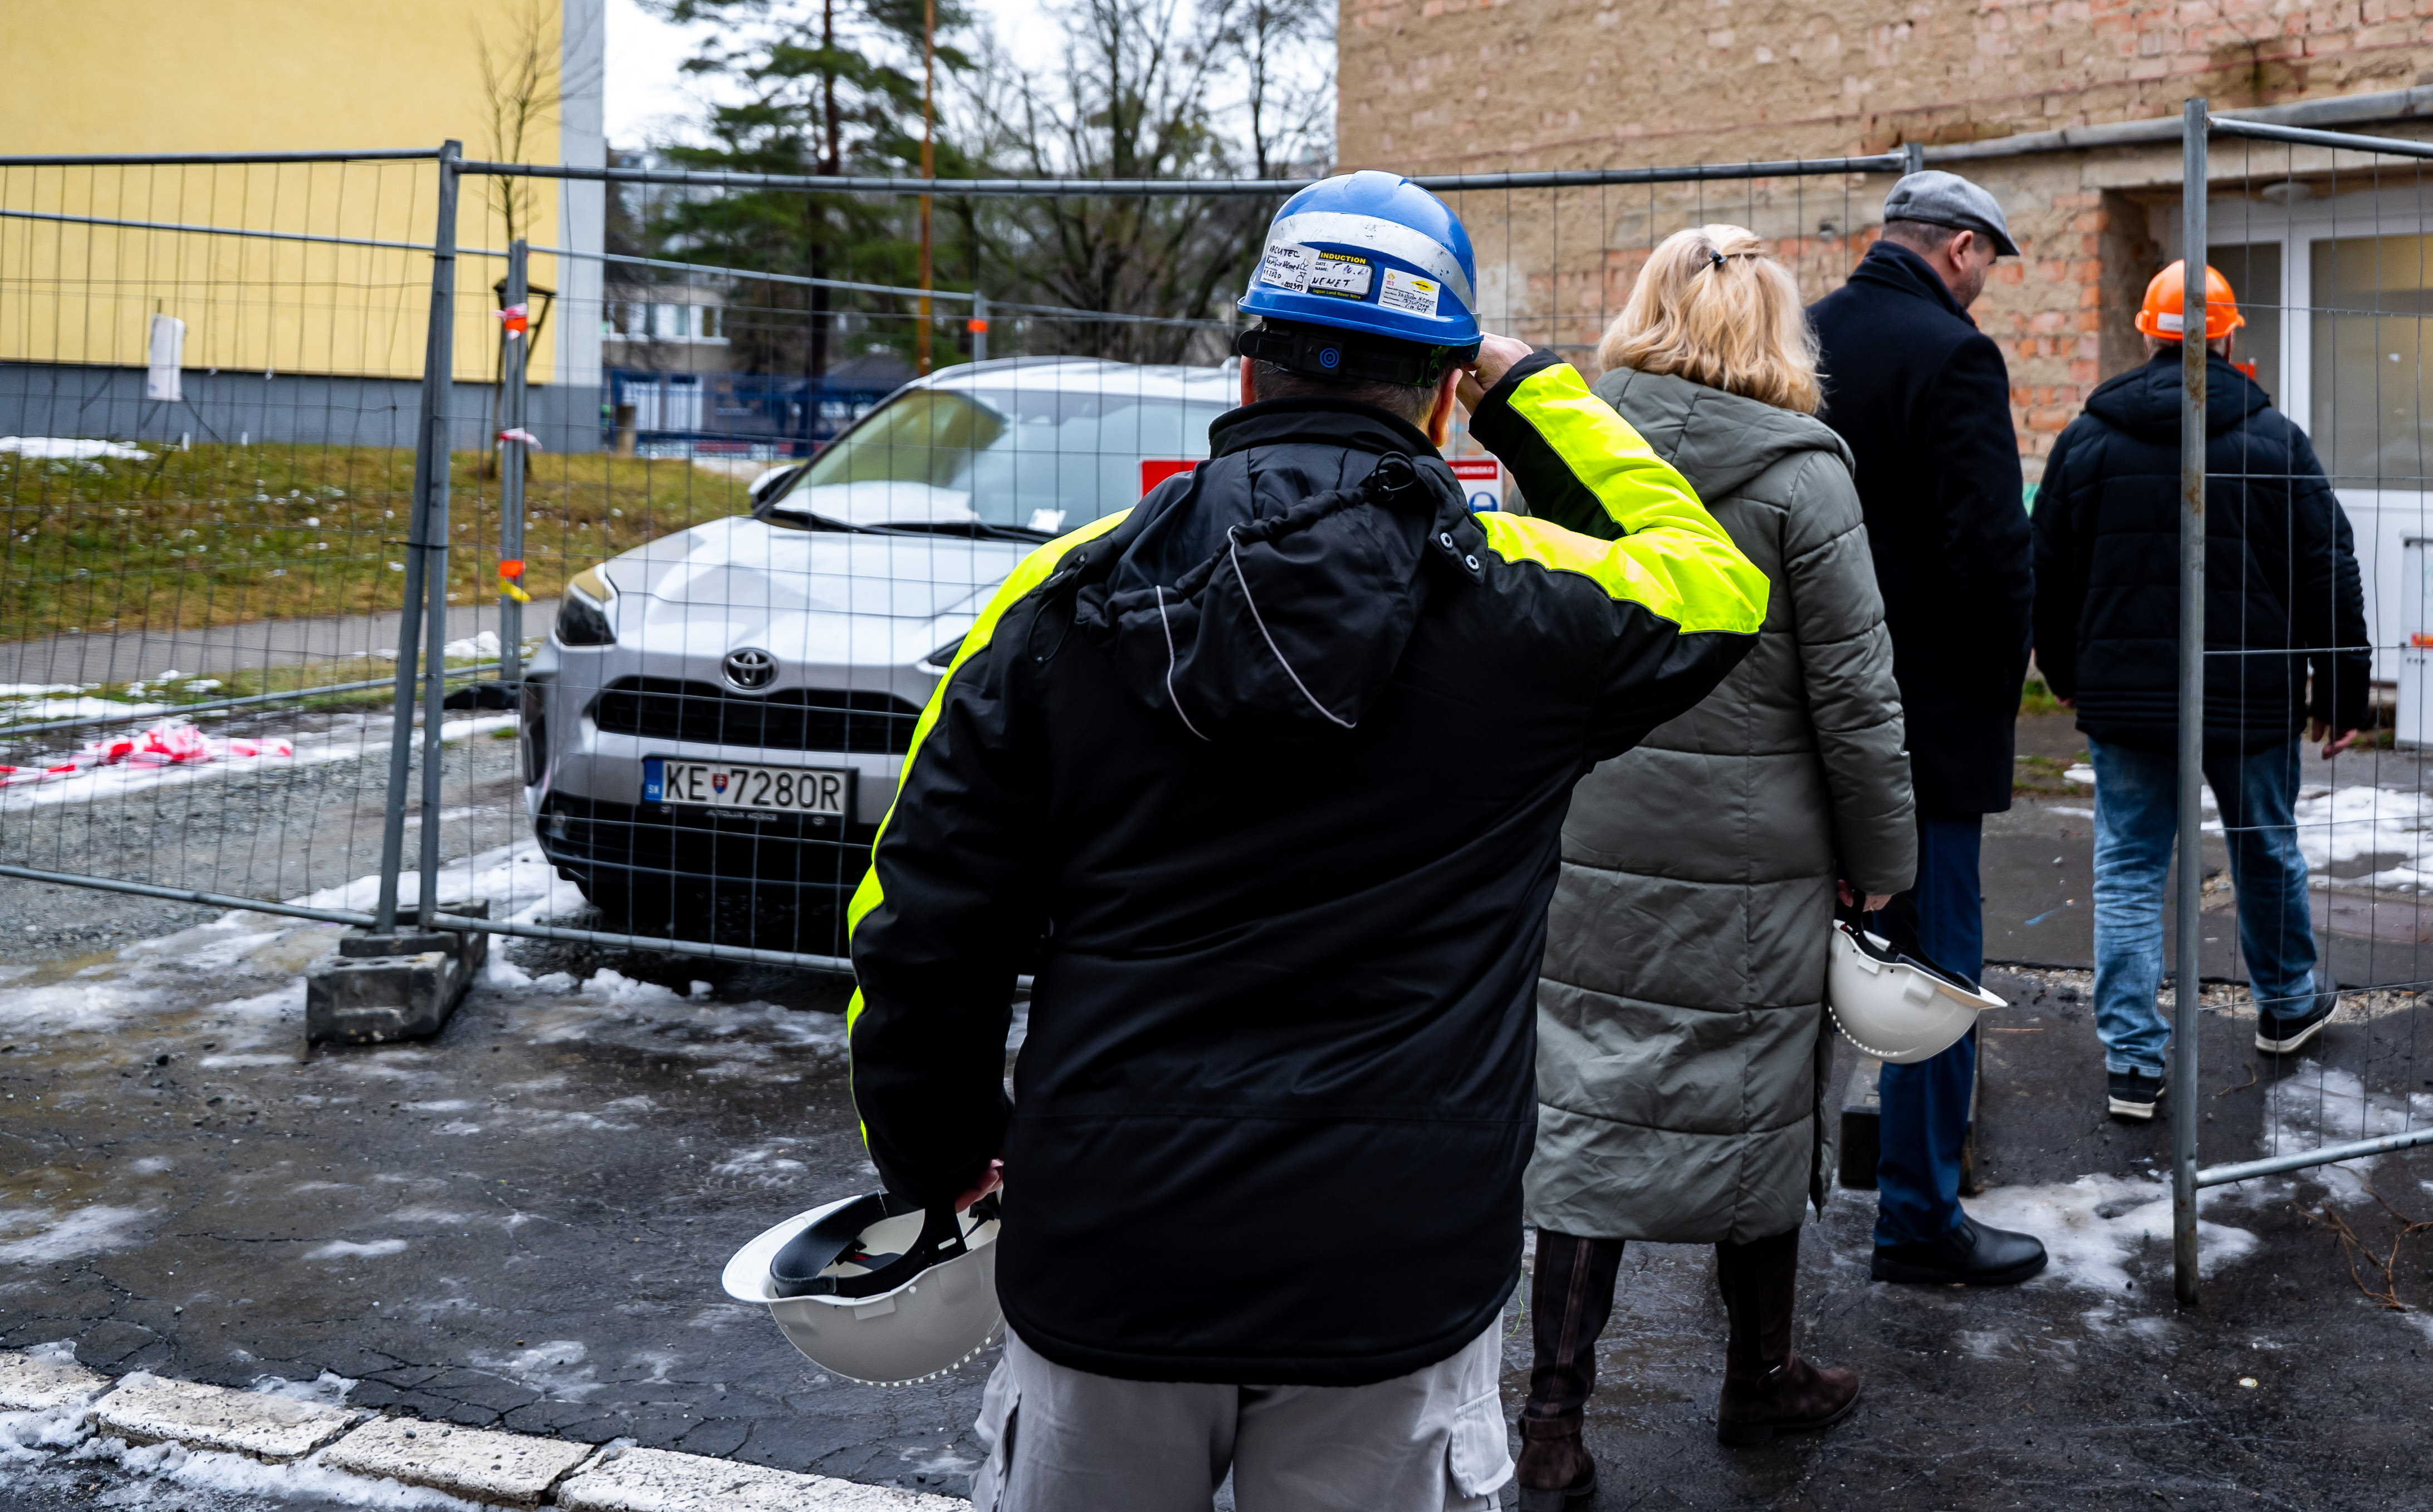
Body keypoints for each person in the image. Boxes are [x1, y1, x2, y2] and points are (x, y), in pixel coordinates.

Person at [844, 171, 1770, 1512]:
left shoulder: (1067, 593)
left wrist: (935, 1155)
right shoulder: (1532, 606)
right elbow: (1715, 580)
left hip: (1112, 1246)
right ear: (1443, 397)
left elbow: (922, 917)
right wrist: (1529, 386)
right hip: (1392, 1265)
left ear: (1245, 370)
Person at [1511, 225, 1922, 1506]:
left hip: (1590, 839)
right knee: (1761, 1110)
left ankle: (1552, 1422)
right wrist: (1882, 860)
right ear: (1776, 329)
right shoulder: (1804, 476)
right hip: (1758, 859)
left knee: (1588, 1116)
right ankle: (1762, 1373)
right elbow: (1856, 694)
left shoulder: (1572, 452)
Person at [2030, 260, 2372, 1120]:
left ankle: (2134, 1064)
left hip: (2129, 703)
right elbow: (2328, 571)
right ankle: (2287, 1003)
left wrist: (2067, 674)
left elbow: (2044, 574)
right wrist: (2343, 692)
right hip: (2252, 701)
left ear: (2149, 333)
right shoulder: (2277, 441)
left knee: (2129, 868)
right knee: (2265, 848)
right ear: (2226, 337)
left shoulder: (2087, 440)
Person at [1801, 170, 2045, 1289]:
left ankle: (1759, 1221)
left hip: (1801, 707)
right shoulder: (1955, 355)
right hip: (1926, 724)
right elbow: (1992, 552)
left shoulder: (1804, 336)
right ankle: (1916, 1217)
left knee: (1790, 965)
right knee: (1932, 967)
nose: (1985, 283)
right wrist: (1996, 690)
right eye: (1987, 262)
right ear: (1958, 250)